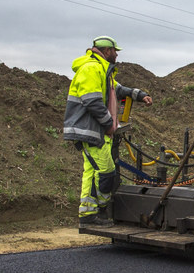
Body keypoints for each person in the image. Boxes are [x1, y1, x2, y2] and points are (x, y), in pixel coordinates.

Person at [62, 36, 152, 226]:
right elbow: (93, 102)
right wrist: (109, 125)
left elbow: (118, 89)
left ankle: (88, 214)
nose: (117, 54)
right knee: (106, 172)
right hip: (90, 131)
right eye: (115, 51)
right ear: (106, 51)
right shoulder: (91, 69)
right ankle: (99, 211)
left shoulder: (103, 71)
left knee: (92, 171)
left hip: (97, 132)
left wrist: (140, 95)